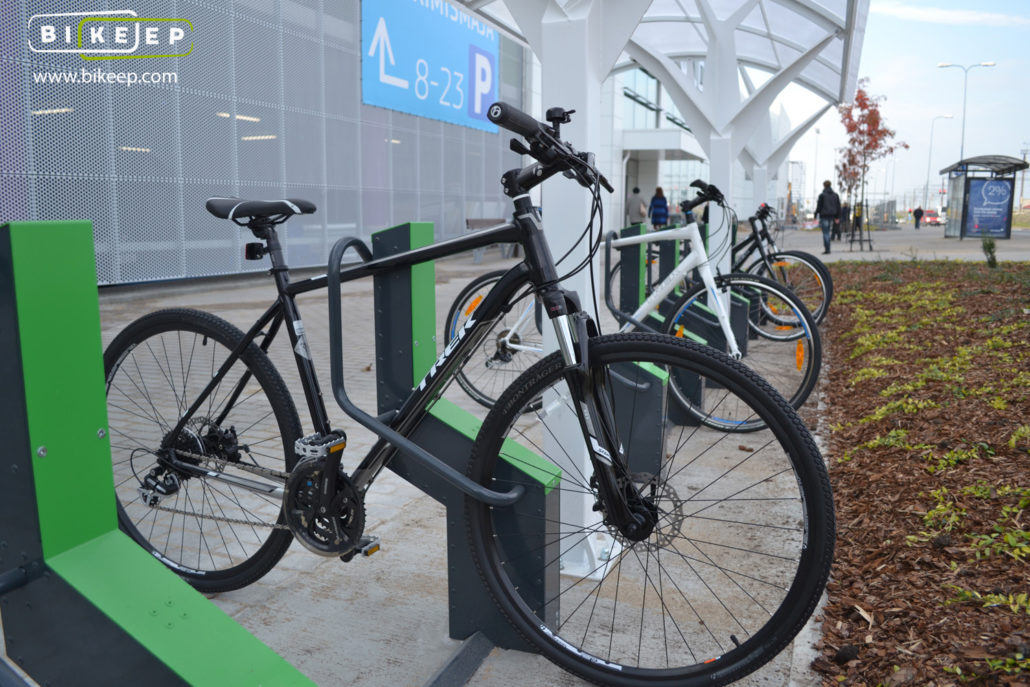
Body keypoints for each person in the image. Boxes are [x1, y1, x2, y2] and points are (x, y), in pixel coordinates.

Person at [813, 180, 841, 254]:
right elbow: (838, 206)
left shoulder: (822, 195)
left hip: (824, 216)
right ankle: (828, 248)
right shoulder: (835, 195)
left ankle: (827, 249)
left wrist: (815, 215)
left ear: (824, 186)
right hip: (832, 216)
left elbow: (819, 206)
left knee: (826, 233)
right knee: (828, 232)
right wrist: (837, 217)